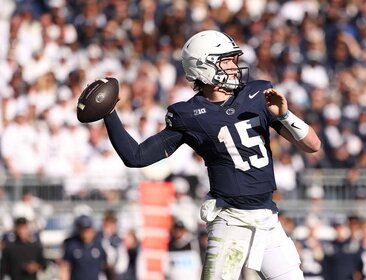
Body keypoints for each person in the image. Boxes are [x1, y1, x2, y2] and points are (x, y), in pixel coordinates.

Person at [99, 30, 321, 279]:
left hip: (268, 219)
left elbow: (312, 145)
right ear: (202, 66)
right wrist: (109, 114)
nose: (234, 67)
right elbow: (136, 156)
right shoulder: (189, 115)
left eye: (233, 60)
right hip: (231, 221)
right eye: (225, 61)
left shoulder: (258, 95)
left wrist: (284, 115)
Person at [60, 215, 110, 280]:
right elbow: (65, 268)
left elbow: (106, 265)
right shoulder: (72, 245)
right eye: (83, 229)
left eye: (88, 228)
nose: (86, 232)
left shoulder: (99, 244)